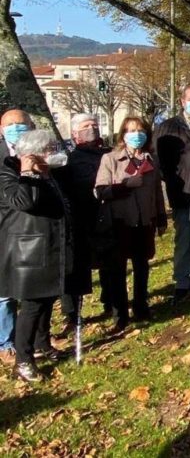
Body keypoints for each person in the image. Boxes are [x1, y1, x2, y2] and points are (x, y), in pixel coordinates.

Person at [0, 130, 72, 382]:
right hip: (28, 251)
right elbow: (25, 202)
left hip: (51, 246)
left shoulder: (49, 174)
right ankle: (23, 360)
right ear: (32, 154)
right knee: (31, 306)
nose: (53, 153)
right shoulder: (10, 172)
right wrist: (28, 172)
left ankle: (43, 344)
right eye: (48, 149)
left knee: (47, 299)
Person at [95, 117, 167, 332]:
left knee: (142, 266)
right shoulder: (110, 159)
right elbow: (100, 191)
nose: (136, 134)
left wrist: (161, 218)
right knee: (118, 270)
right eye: (131, 130)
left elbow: (156, 193)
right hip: (119, 222)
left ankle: (141, 305)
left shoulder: (151, 160)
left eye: (140, 130)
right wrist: (124, 186)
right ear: (123, 134)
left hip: (145, 221)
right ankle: (120, 314)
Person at [154, 84, 190, 304]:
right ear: (182, 101)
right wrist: (174, 180)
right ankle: (181, 281)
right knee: (184, 237)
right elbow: (158, 160)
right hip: (183, 193)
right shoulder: (168, 127)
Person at [59, 114, 112, 337]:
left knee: (110, 263)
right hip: (79, 219)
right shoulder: (67, 158)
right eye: (85, 126)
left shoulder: (108, 154)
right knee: (76, 270)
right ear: (74, 133)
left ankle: (111, 302)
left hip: (107, 216)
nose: (91, 129)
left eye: (94, 125)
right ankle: (72, 314)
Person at [0, 109, 34, 365]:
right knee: (4, 291)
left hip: (33, 229)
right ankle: (6, 341)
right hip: (4, 228)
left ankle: (33, 340)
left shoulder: (42, 150)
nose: (16, 128)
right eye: (10, 125)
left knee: (31, 289)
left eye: (21, 124)